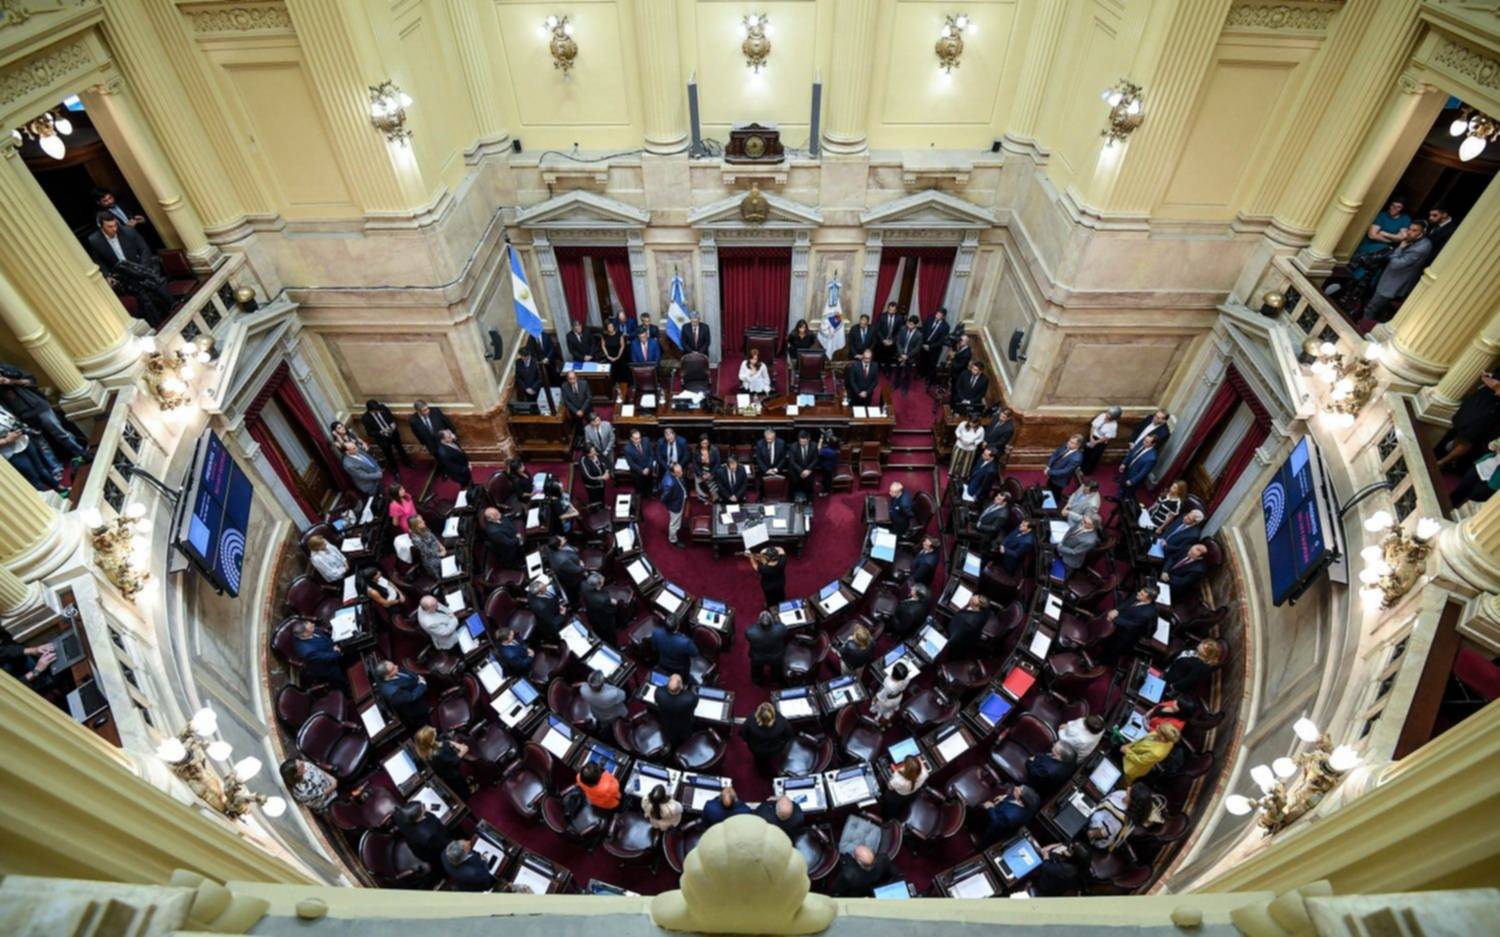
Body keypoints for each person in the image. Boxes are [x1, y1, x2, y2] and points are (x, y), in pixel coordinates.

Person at [0, 364, 86, 464]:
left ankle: (81, 452)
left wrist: (10, 381)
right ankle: (56, 468)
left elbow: (30, 381)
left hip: (39, 406)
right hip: (23, 416)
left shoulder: (7, 369)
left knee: (61, 433)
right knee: (41, 444)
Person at [1365, 221, 1432, 322]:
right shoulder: (1423, 242)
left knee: (1372, 307)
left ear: (1422, 233)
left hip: (1393, 283)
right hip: (1392, 278)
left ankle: (1363, 325)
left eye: (1414, 230)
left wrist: (1400, 248)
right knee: (1378, 307)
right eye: (1409, 229)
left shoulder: (1420, 248)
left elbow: (1395, 264)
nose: (1409, 232)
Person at [1435, 373, 1500, 473]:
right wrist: (1490, 376)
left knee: (1468, 438)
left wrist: (1486, 379)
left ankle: (1442, 462)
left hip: (1491, 408)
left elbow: (1497, 388)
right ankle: (1450, 459)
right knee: (1461, 430)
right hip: (1482, 401)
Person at [1087, 782, 1153, 851]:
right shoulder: (1123, 794)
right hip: (1094, 815)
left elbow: (1098, 833)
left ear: (1133, 801)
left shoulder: (1121, 818)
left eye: (1131, 791)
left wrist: (1088, 832)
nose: (1128, 788)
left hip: (1094, 836)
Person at [1098, 587, 1160, 660]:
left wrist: (1113, 619)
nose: (1138, 593)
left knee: (1113, 648)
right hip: (1124, 619)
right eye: (1140, 591)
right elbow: (1126, 603)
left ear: (1148, 599)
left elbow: (1130, 623)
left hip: (1129, 631)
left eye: (1142, 594)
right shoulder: (1138, 596)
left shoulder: (1146, 613)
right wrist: (1116, 610)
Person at [291, 619, 349, 693]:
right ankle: (345, 689)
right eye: (311, 627)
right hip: (324, 666)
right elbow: (326, 657)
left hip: (329, 649)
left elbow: (323, 637)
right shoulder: (308, 651)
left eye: (311, 623)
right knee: (337, 676)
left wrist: (333, 644)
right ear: (305, 634)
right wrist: (338, 652)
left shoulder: (309, 630)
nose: (313, 625)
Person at [976, 785, 1041, 849]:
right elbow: (1015, 798)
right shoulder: (1034, 800)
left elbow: (996, 821)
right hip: (1005, 816)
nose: (1015, 787)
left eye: (1018, 790)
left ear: (1021, 799)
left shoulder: (1011, 816)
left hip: (996, 828)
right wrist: (1005, 798)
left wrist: (990, 807)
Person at [393, 801, 452, 867]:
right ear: (418, 817)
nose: (425, 807)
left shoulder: (399, 816)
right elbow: (445, 845)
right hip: (432, 854)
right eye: (423, 807)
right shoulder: (429, 835)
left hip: (415, 845)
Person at [414, 724, 470, 793]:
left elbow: (443, 738)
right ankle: (468, 792)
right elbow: (454, 761)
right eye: (432, 731)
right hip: (452, 773)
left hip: (445, 770)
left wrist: (451, 742)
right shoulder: (439, 753)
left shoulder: (427, 749)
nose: (434, 728)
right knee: (462, 787)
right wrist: (463, 751)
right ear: (431, 740)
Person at [741, 701, 793, 774]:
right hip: (775, 749)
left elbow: (744, 735)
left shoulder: (750, 721)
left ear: (758, 714)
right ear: (773, 714)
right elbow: (789, 735)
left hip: (756, 749)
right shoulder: (781, 721)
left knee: (758, 759)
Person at [374, 659, 428, 729]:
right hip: (415, 707)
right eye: (393, 668)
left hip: (413, 686)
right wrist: (422, 683)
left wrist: (417, 677)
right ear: (387, 677)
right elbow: (412, 697)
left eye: (394, 665)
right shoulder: (393, 693)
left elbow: (406, 672)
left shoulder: (390, 672)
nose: (396, 666)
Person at [361, 400, 411, 468]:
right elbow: (369, 433)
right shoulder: (365, 418)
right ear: (371, 410)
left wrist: (393, 423)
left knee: (400, 448)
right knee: (388, 454)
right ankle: (394, 469)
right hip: (382, 439)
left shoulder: (383, 408)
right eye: (376, 410)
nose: (379, 411)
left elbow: (391, 417)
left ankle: (408, 462)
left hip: (393, 433)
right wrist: (380, 432)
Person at [745, 612, 790, 688]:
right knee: (777, 670)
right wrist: (776, 622)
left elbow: (748, 636)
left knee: (756, 670)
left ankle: (757, 681)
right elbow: (785, 630)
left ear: (759, 622)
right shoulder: (780, 629)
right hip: (776, 657)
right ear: (772, 621)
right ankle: (776, 681)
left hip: (758, 657)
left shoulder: (750, 631)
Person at [1453, 437, 1500, 507]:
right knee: (1460, 490)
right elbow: (1491, 445)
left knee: (1473, 501)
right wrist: (1494, 445)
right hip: (1482, 467)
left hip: (1494, 481)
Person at [882, 755, 930, 819]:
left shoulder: (898, 780)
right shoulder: (925, 773)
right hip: (913, 794)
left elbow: (890, 787)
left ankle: (887, 817)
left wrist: (896, 772)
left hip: (897, 797)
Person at [656, 673, 698, 748]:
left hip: (667, 723)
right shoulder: (690, 698)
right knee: (685, 742)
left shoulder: (658, 692)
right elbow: (694, 706)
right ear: (681, 686)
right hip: (685, 726)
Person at [580, 572, 624, 641]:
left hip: (591, 614)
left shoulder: (583, 585)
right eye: (603, 581)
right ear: (598, 585)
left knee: (599, 631)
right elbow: (612, 610)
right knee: (610, 636)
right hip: (604, 621)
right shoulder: (603, 600)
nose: (604, 581)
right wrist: (612, 602)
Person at [872, 661, 915, 726]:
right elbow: (908, 674)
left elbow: (882, 696)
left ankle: (879, 721)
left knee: (882, 709)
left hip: (887, 701)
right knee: (890, 710)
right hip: (898, 697)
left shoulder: (888, 683)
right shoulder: (907, 678)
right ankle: (887, 718)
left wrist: (875, 699)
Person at [946, 594, 989, 660]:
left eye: (970, 601)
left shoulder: (964, 619)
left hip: (956, 647)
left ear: (974, 605)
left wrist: (962, 610)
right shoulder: (986, 611)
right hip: (971, 639)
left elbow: (952, 640)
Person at [526, 578, 567, 646]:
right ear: (539, 592)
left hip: (553, 607)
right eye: (544, 586)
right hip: (552, 625)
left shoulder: (530, 593)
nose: (546, 586)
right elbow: (553, 623)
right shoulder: (543, 608)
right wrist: (562, 614)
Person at [1045, 434, 1085, 501]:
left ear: (1078, 445)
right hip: (1052, 473)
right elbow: (1055, 454)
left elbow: (1065, 471)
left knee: (1055, 494)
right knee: (1048, 488)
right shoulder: (1065, 445)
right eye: (1069, 441)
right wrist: (1048, 466)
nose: (1068, 443)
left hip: (1060, 480)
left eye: (1072, 443)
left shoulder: (1077, 458)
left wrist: (1049, 472)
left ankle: (1053, 505)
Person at [1118, 433, 1159, 498]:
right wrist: (1124, 463)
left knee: (1126, 493)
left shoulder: (1152, 458)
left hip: (1133, 476)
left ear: (1153, 444)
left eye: (1147, 442)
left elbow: (1143, 472)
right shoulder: (1140, 445)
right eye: (1144, 440)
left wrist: (1132, 481)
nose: (1144, 442)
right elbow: (1131, 454)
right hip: (1127, 470)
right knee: (1122, 486)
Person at [1082, 406, 1121, 474]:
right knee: (1086, 453)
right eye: (1108, 413)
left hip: (1101, 442)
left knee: (1093, 458)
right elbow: (1093, 426)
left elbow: (1107, 437)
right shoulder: (1102, 415)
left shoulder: (1114, 425)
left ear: (1113, 417)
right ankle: (1080, 467)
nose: (1107, 415)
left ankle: (1086, 471)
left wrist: (1095, 442)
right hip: (1092, 436)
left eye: (1109, 414)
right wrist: (1091, 437)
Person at [547, 535, 585, 604]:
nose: (563, 537)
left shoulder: (554, 548)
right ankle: (576, 604)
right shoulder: (563, 561)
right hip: (572, 579)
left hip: (571, 561)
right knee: (574, 593)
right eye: (561, 539)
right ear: (559, 546)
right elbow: (576, 570)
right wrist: (581, 566)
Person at [407, 515, 446, 580]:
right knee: (443, 572)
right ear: (416, 526)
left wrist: (441, 546)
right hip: (431, 559)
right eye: (420, 522)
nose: (424, 521)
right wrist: (440, 554)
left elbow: (433, 537)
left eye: (422, 520)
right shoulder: (416, 539)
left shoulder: (424, 528)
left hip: (438, 551)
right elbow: (427, 552)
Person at [919, 307, 950, 383]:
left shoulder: (946, 326)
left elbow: (941, 341)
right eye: (937, 314)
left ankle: (928, 378)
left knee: (931, 364)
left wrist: (930, 347)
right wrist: (923, 343)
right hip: (924, 344)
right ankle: (921, 374)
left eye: (940, 315)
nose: (937, 315)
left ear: (943, 316)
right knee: (922, 360)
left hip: (934, 349)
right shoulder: (929, 319)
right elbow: (923, 330)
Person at [661, 462, 687, 548]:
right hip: (675, 505)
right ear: (672, 473)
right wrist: (671, 505)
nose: (681, 473)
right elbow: (664, 498)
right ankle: (673, 540)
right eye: (679, 472)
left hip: (679, 499)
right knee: (674, 524)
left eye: (681, 470)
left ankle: (679, 524)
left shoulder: (672, 474)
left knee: (677, 519)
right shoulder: (669, 484)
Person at [892, 316, 921, 392]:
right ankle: (896, 383)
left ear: (916, 325)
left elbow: (917, 348)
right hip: (900, 355)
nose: (909, 326)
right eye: (908, 323)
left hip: (910, 357)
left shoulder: (919, 335)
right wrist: (901, 354)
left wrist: (907, 356)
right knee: (897, 371)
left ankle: (905, 387)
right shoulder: (902, 329)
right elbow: (898, 342)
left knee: (907, 374)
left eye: (911, 324)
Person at [623, 429, 657, 493]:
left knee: (649, 487)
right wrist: (642, 470)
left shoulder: (646, 440)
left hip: (649, 469)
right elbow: (631, 463)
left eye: (639, 438)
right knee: (639, 490)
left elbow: (651, 455)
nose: (639, 440)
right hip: (637, 473)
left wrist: (648, 467)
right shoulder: (627, 448)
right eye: (636, 439)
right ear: (631, 438)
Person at [754, 428, 786, 494]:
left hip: (777, 469)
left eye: (771, 439)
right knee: (763, 489)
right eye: (767, 438)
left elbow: (783, 458)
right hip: (764, 470)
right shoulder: (760, 444)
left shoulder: (781, 443)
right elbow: (758, 459)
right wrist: (766, 470)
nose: (769, 440)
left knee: (777, 489)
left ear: (775, 436)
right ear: (765, 436)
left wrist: (776, 469)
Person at [691, 434, 721, 502]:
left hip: (712, 471)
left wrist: (711, 473)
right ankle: (703, 498)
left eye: (706, 443)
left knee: (714, 491)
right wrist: (701, 474)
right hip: (701, 471)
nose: (705, 445)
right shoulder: (696, 450)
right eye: (703, 443)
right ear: (699, 443)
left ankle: (714, 497)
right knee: (699, 479)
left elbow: (717, 463)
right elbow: (695, 464)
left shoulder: (714, 449)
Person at [580, 443, 609, 509]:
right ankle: (595, 509)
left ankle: (602, 506)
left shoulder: (596, 453)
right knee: (594, 499)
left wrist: (607, 471)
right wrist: (602, 477)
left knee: (601, 495)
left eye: (594, 450)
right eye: (592, 452)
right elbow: (588, 476)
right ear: (588, 454)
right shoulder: (583, 461)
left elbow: (605, 461)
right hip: (592, 485)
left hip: (601, 482)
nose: (595, 452)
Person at [600, 318, 628, 385]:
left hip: (619, 356)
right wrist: (608, 356)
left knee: (622, 373)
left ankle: (623, 386)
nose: (611, 328)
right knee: (611, 374)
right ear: (607, 328)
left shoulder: (619, 334)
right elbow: (603, 346)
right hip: (609, 357)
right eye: (609, 327)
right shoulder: (604, 336)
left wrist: (618, 357)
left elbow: (622, 346)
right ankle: (614, 386)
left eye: (612, 326)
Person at [875, 301, 902, 365]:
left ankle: (887, 368)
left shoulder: (899, 318)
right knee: (879, 358)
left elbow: (899, 331)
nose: (891, 312)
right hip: (881, 341)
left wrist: (892, 340)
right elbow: (878, 329)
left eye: (893, 310)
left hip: (892, 342)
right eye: (890, 309)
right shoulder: (882, 316)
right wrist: (883, 340)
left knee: (889, 359)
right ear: (887, 309)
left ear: (896, 310)